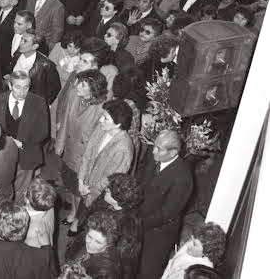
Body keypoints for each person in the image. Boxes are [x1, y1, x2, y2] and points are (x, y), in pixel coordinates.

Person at [137, 129, 194, 279]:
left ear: (173, 153)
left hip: (158, 233)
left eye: (159, 149)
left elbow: (167, 213)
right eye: (154, 146)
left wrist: (138, 222)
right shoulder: (155, 157)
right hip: (141, 219)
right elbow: (141, 182)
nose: (153, 151)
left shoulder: (183, 177)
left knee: (147, 271)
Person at [58, 69, 109, 233]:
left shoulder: (103, 109)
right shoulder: (74, 95)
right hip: (70, 151)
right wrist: (59, 145)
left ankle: (77, 222)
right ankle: (73, 212)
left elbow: (97, 143)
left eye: (83, 84)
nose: (77, 86)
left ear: (93, 89)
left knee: (81, 192)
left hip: (84, 159)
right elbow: (65, 121)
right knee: (71, 187)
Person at [0, 70, 50, 203]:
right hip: (3, 152)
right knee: (2, 189)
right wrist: (6, 141)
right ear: (10, 86)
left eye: (26, 87)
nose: (22, 92)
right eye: (17, 87)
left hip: (27, 153)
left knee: (20, 192)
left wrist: (21, 144)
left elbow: (43, 131)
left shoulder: (38, 102)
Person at [77, 99, 134, 222]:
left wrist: (90, 189)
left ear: (118, 124)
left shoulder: (123, 149)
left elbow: (111, 179)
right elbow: (88, 154)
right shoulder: (101, 129)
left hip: (100, 198)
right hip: (85, 187)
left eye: (105, 118)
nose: (100, 120)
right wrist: (81, 179)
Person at [162, 222, 226, 279]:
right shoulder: (192, 246)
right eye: (191, 239)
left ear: (206, 253)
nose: (188, 244)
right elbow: (172, 262)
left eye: (195, 244)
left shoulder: (199, 272)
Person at [66, 211, 122, 276]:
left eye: (98, 242)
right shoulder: (83, 237)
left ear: (108, 244)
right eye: (90, 237)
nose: (90, 244)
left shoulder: (105, 270)